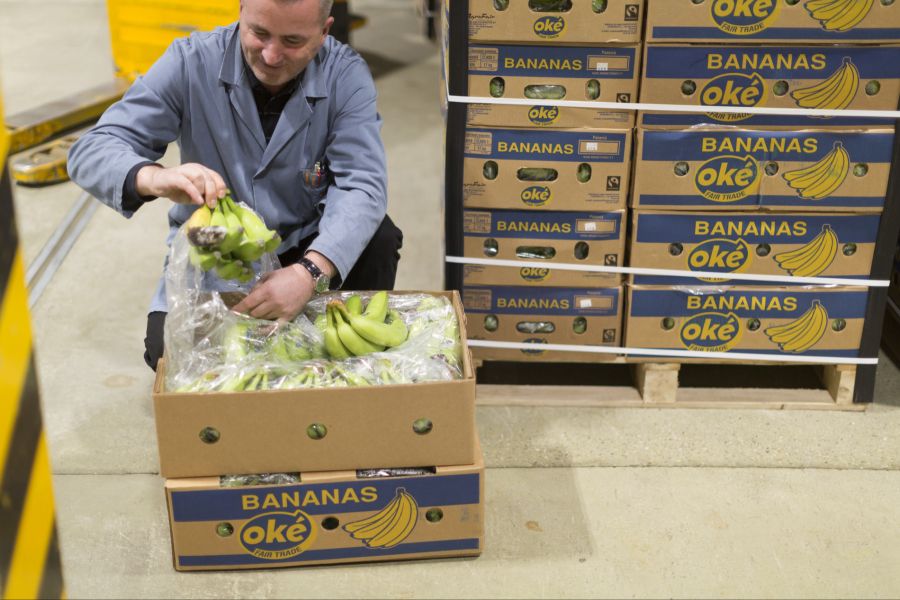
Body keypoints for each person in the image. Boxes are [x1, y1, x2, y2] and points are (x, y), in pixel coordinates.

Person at [68, 0, 402, 371]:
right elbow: (91, 150)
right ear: (241, 10)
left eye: (293, 41)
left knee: (379, 239)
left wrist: (310, 272)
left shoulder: (345, 75)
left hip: (308, 244)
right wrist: (154, 178)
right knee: (168, 357)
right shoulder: (190, 62)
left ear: (324, 32)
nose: (272, 56)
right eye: (259, 33)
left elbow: (363, 186)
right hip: (218, 254)